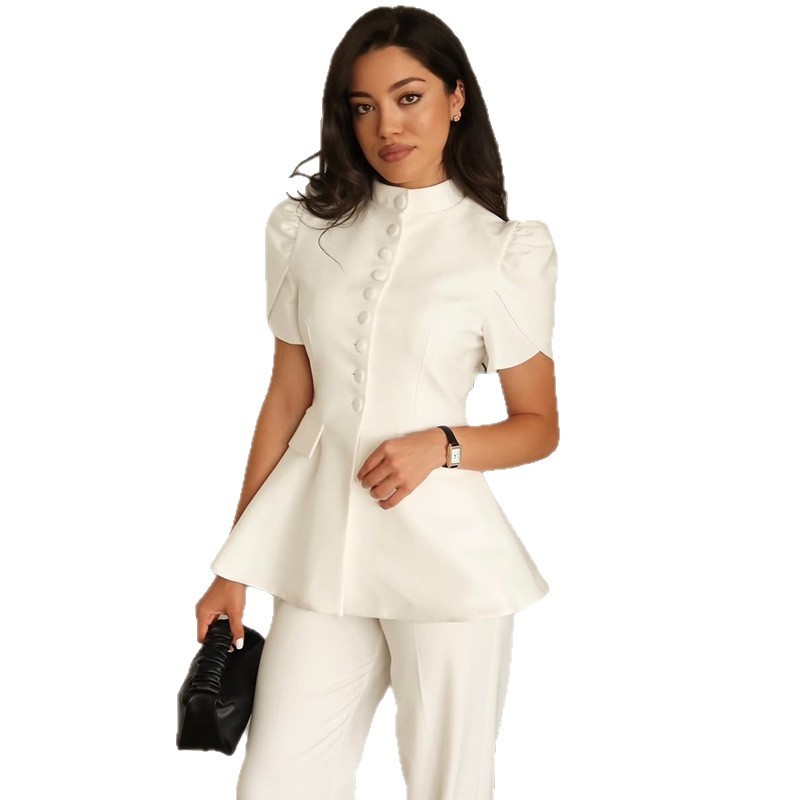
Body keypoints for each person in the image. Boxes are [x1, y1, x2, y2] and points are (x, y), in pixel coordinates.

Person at [194, 6, 559, 798]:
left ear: (456, 99)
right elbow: (287, 398)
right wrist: (234, 566)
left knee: (448, 786)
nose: (387, 125)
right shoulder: (305, 234)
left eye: (409, 97)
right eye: (363, 106)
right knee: (277, 782)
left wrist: (444, 444)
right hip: (322, 550)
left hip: (450, 564)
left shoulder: (502, 251)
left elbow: (539, 427)